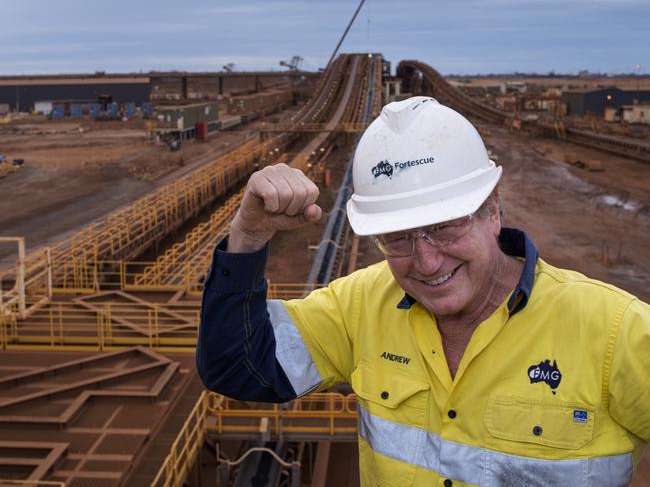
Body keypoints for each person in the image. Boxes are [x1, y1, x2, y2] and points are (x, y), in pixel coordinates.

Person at [197, 97, 649, 486]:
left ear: (493, 210)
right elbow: (238, 367)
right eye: (397, 237)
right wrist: (248, 237)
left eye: (444, 227)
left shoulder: (614, 332)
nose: (426, 261)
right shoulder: (361, 305)